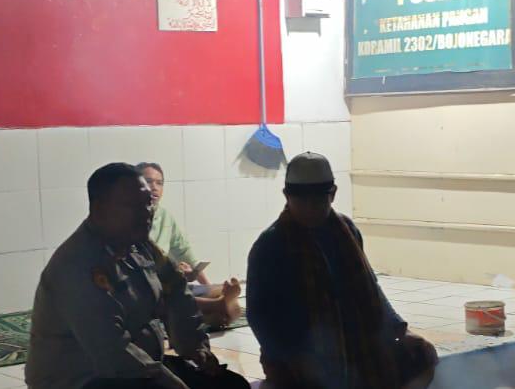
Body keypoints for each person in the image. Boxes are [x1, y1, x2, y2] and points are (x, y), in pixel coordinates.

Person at [27, 163, 250, 389]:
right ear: (99, 209)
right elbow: (112, 350)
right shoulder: (77, 265)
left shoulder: (140, 246)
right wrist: (171, 383)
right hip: (84, 378)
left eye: (147, 204)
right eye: (133, 206)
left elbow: (177, 292)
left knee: (231, 386)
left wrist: (196, 347)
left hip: (138, 367)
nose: (146, 213)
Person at [247, 153, 438, 389]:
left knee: (422, 356)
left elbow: (369, 289)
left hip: (354, 344)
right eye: (302, 200)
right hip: (299, 356)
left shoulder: (346, 231)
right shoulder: (271, 245)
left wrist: (399, 329)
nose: (310, 208)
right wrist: (294, 357)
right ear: (287, 196)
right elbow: (259, 316)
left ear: (333, 194)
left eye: (318, 200)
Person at [137, 162, 243, 326]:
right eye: (148, 181)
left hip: (172, 285)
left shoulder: (165, 217)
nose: (154, 187)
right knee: (171, 297)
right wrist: (174, 274)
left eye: (159, 183)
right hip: (147, 291)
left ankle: (216, 309)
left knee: (229, 303)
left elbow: (185, 252)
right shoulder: (128, 220)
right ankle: (215, 307)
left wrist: (208, 287)